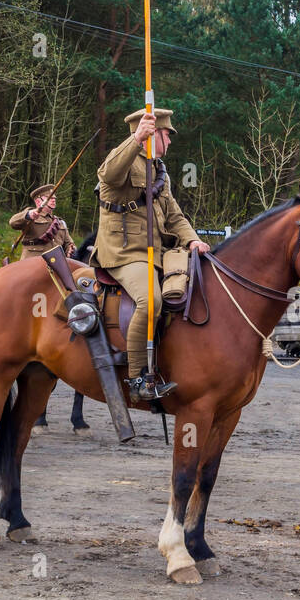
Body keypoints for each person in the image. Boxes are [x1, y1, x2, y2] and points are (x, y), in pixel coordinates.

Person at [92, 107, 209, 401]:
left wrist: (193, 241)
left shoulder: (159, 172)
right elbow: (108, 174)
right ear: (152, 134)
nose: (169, 141)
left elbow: (175, 216)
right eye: (166, 135)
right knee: (150, 300)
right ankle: (137, 380)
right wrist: (135, 140)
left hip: (157, 253)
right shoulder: (125, 160)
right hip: (123, 253)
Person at [9, 184, 76, 260]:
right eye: (49, 198)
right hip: (32, 264)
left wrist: (70, 249)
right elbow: (13, 222)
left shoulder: (60, 223)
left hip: (56, 265)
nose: (53, 199)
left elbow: (68, 243)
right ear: (38, 201)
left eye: (54, 198)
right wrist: (28, 215)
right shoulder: (30, 217)